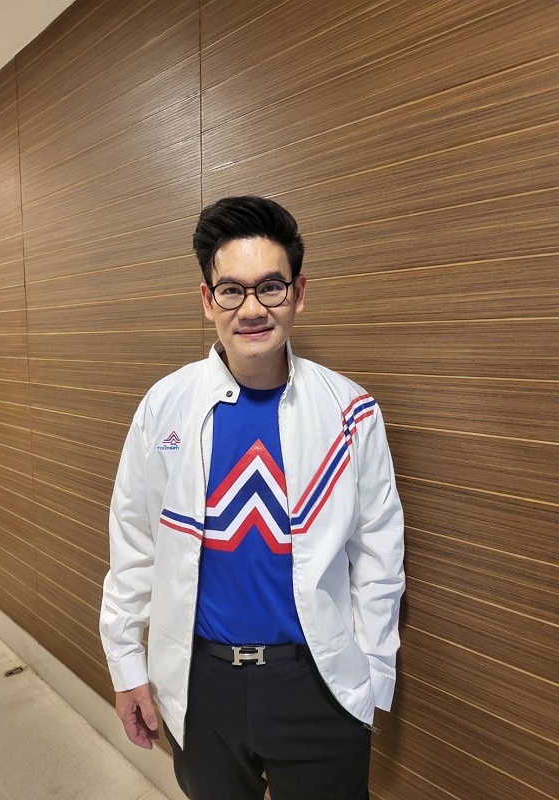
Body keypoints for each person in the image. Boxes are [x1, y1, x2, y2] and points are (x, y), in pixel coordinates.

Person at [99, 196, 405, 800]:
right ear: (207, 300)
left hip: (317, 684)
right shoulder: (165, 407)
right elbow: (134, 543)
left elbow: (379, 552)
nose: (252, 309)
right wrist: (126, 663)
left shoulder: (350, 411)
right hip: (201, 686)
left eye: (270, 286)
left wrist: (371, 672)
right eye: (231, 291)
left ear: (298, 292)